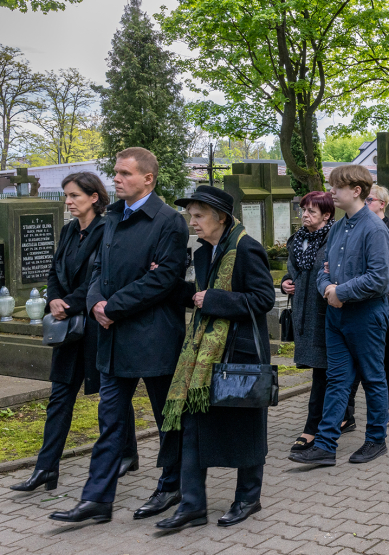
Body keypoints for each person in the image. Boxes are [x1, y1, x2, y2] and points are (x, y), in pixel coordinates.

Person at [50, 148, 187, 524]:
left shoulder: (168, 221)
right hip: (112, 340)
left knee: (167, 419)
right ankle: (97, 499)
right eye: (115, 172)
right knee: (110, 421)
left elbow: (162, 279)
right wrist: (95, 303)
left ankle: (172, 484)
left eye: (125, 173)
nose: (117, 179)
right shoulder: (111, 218)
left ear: (148, 179)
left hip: (154, 338)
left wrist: (112, 307)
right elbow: (99, 270)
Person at [153, 186, 276, 530]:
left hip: (240, 354)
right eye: (190, 215)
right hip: (203, 357)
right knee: (193, 426)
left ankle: (249, 498)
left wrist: (216, 300)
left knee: (246, 427)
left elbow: (263, 298)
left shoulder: (246, 248)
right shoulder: (207, 251)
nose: (192, 222)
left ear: (220, 217)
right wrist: (171, 283)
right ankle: (192, 505)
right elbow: (199, 296)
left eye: (199, 215)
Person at [12, 174, 139, 493]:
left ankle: (127, 452)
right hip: (68, 330)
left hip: (97, 326)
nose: (68, 201)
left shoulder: (108, 229)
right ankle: (45, 468)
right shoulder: (69, 230)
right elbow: (55, 270)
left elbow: (103, 277)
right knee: (59, 398)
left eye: (74, 196)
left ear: (94, 197)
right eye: (67, 196)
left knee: (112, 396)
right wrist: (52, 298)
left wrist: (68, 302)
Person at [290, 165, 389, 467]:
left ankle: (376, 439)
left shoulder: (374, 229)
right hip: (335, 315)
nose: (331, 192)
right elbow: (324, 270)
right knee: (337, 379)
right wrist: (328, 290)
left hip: (366, 315)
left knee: (373, 378)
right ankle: (324, 445)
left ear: (356, 191)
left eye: (336, 187)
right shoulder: (337, 228)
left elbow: (381, 278)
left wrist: (341, 292)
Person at [281, 192, 346, 457]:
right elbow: (293, 269)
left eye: (311, 211)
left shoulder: (335, 238)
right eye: (303, 210)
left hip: (326, 312)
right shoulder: (297, 239)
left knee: (323, 370)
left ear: (327, 215)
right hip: (303, 313)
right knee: (323, 369)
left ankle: (312, 428)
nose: (305, 215)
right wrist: (285, 281)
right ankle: (344, 415)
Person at [367, 185, 389, 410]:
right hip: (369, 295)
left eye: (369, 199)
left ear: (382, 203)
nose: (365, 202)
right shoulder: (361, 226)